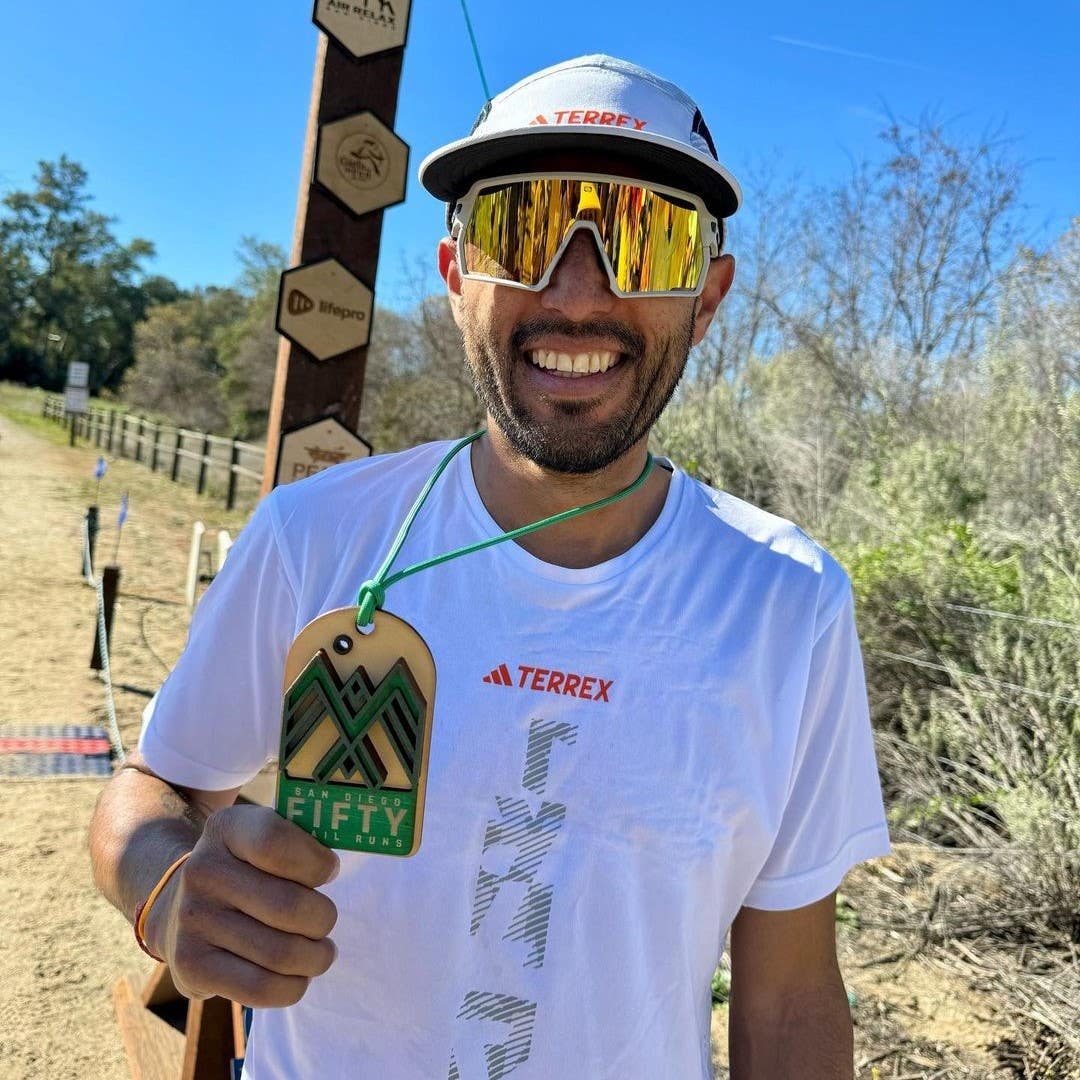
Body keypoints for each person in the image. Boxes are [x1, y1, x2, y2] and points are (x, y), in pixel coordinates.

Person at [90, 54, 891, 1079]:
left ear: (710, 292)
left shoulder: (789, 601)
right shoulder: (317, 537)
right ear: (457, 272)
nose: (577, 292)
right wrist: (162, 884)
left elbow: (787, 998)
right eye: (521, 228)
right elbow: (156, 783)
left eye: (648, 240)